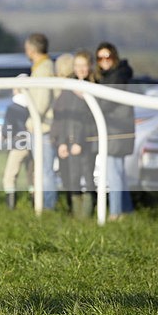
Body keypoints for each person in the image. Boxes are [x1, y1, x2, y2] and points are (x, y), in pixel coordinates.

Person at [51, 51, 97, 218]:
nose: (81, 69)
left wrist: (79, 141)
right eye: (77, 65)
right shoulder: (68, 89)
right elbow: (61, 118)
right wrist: (62, 142)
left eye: (84, 65)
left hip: (87, 142)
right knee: (72, 178)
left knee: (88, 177)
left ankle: (87, 214)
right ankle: (75, 213)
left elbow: (89, 120)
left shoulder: (95, 86)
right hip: (69, 142)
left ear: (90, 66)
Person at [95, 42, 135, 220]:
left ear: (114, 57)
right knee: (119, 171)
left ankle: (115, 213)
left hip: (116, 129)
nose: (104, 61)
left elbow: (106, 103)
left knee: (114, 171)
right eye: (100, 58)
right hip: (116, 128)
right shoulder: (110, 75)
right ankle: (126, 210)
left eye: (107, 57)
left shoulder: (117, 76)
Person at [24, 33, 58, 210]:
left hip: (43, 127)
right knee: (42, 169)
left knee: (45, 171)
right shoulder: (42, 66)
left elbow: (43, 100)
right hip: (40, 126)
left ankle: (48, 206)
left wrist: (33, 120)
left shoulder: (44, 68)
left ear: (31, 49)